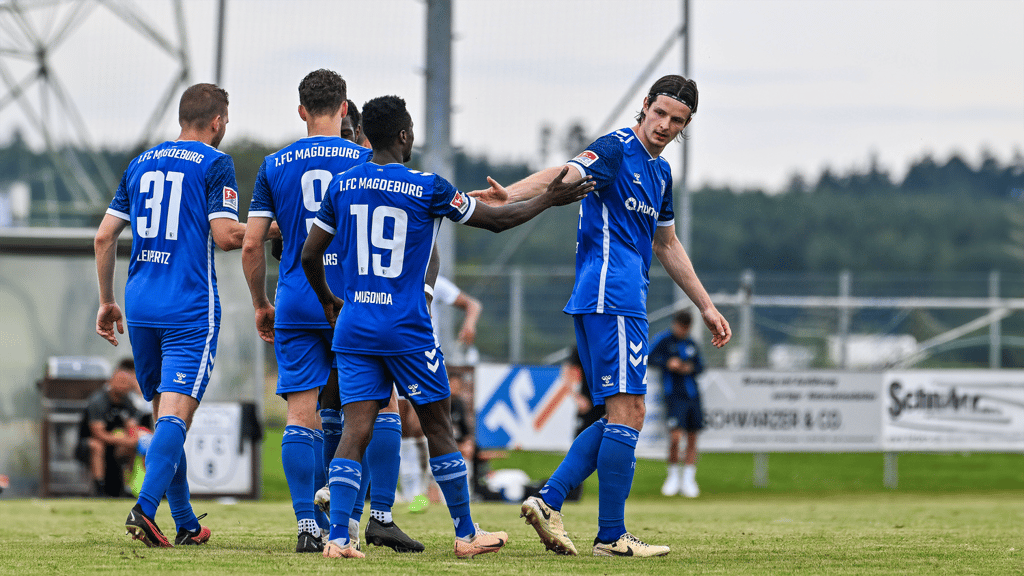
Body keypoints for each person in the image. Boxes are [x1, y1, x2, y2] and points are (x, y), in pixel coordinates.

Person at [301, 94, 593, 559]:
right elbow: (498, 221)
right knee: (439, 427)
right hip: (406, 327)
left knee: (355, 430)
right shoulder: (427, 186)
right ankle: (465, 533)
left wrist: (330, 301)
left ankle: (338, 539)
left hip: (355, 324)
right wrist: (548, 199)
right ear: (403, 135)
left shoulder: (341, 185)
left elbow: (309, 254)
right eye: (411, 130)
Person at [487, 74, 731, 558]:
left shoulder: (659, 173)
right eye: (659, 113)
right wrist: (508, 196)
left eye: (676, 120)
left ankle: (550, 500)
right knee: (629, 412)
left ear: (685, 127)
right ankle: (610, 536)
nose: (664, 125)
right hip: (610, 297)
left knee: (624, 413)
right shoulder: (617, 148)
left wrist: (705, 304)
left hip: (616, 301)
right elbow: (567, 173)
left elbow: (666, 243)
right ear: (644, 106)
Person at [242, 69, 420, 554]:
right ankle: (380, 517)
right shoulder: (368, 158)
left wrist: (262, 303)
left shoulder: (275, 164)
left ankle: (307, 527)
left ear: (301, 111)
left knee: (302, 415)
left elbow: (253, 243)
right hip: (358, 302)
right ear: (346, 110)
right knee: (381, 406)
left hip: (299, 297)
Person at [95, 82, 249, 548]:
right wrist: (274, 228)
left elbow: (104, 238)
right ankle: (144, 509)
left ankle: (184, 521)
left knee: (166, 414)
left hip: (139, 301)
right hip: (188, 306)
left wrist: (106, 302)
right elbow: (224, 236)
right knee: (176, 416)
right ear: (218, 121)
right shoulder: (216, 163)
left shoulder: (140, 163)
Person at [397, 274, 482, 511]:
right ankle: (407, 491)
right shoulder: (391, 270)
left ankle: (422, 492)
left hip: (421, 355)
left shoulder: (432, 278)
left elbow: (472, 304)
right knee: (398, 425)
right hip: (390, 350)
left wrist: (469, 324)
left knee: (419, 425)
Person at [649, 310, 704, 497]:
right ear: (675, 324)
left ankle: (689, 479)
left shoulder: (691, 343)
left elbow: (700, 366)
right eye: (682, 327)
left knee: (692, 437)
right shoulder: (664, 341)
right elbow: (648, 358)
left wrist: (690, 367)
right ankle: (673, 476)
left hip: (693, 396)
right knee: (675, 437)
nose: (684, 331)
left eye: (687, 327)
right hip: (674, 397)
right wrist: (668, 363)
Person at [76, 358, 146, 497]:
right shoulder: (99, 400)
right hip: (87, 444)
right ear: (111, 381)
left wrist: (132, 440)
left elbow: (132, 426)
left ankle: (130, 487)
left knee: (136, 444)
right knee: (97, 445)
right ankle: (99, 489)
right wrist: (126, 440)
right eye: (120, 381)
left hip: (115, 443)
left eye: (126, 382)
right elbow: (98, 434)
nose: (123, 385)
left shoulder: (127, 402)